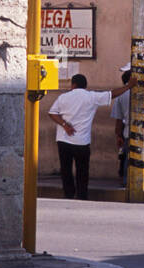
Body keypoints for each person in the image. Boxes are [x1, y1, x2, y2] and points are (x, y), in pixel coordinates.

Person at [49, 72, 135, 200]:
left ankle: (68, 194)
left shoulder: (63, 97)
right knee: (82, 171)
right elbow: (112, 94)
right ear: (85, 85)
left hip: (63, 140)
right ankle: (82, 195)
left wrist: (64, 125)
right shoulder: (91, 97)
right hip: (82, 142)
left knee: (65, 169)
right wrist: (129, 86)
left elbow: (52, 113)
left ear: (73, 84)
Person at [111, 65, 144, 184]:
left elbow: (118, 120)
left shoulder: (120, 96)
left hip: (129, 131)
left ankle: (128, 181)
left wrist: (118, 136)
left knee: (129, 157)